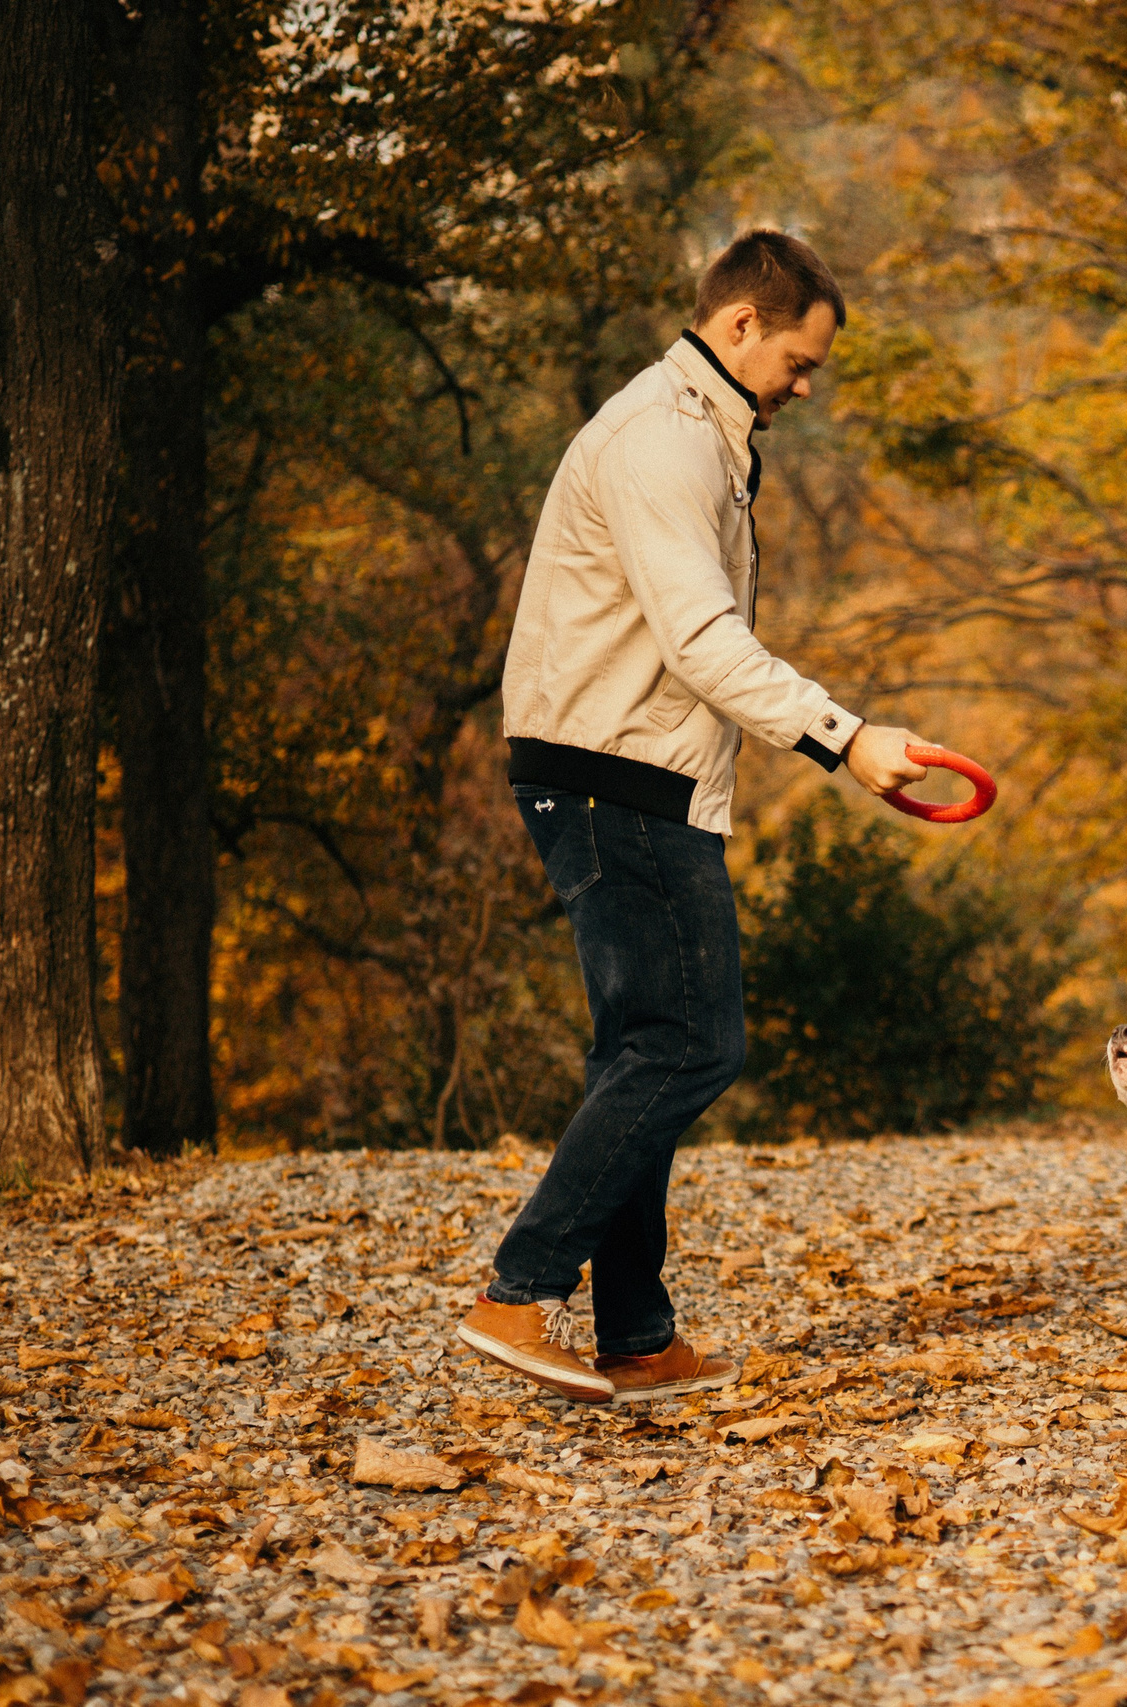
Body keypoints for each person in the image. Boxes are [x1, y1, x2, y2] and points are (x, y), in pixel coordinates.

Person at [457, 230, 928, 1404]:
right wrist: (844, 737)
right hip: (619, 779)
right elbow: (702, 639)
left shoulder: (700, 433)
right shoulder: (662, 442)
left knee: (643, 1049)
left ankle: (636, 1333)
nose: (805, 388)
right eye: (800, 362)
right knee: (694, 1045)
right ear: (738, 327)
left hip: (627, 770)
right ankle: (518, 1294)